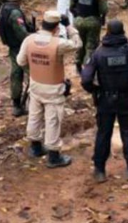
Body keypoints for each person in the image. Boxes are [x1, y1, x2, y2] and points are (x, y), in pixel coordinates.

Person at [81, 20, 128, 183]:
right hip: (127, 98)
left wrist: (95, 90)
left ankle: (99, 170)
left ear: (107, 32)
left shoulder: (98, 53)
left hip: (106, 99)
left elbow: (86, 78)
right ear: (122, 32)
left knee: (103, 133)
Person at [16, 10, 82, 168]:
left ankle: (35, 147)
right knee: (52, 120)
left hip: (35, 84)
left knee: (34, 115)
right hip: (53, 88)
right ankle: (53, 156)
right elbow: (78, 44)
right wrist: (69, 26)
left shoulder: (29, 39)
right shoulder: (59, 43)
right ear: (56, 27)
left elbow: (20, 61)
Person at [0, 0, 35, 117]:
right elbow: (23, 34)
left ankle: (17, 104)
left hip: (12, 46)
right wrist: (36, 37)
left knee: (16, 74)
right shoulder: (15, 13)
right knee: (34, 74)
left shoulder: (3, 9)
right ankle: (29, 102)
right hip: (21, 47)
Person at [71, 0, 108, 74]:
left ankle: (78, 64)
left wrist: (77, 16)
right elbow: (103, 9)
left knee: (80, 43)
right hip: (93, 21)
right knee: (91, 46)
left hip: (78, 20)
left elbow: (71, 6)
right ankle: (88, 67)